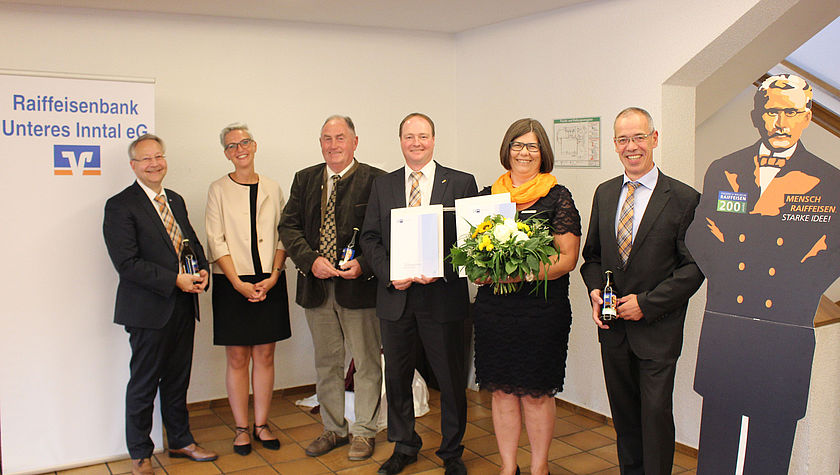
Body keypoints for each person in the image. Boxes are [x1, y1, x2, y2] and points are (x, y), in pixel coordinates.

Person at [686, 74, 840, 474]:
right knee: (716, 446)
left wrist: (791, 288)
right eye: (772, 111)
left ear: (807, 116)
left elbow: (832, 251)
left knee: (770, 450)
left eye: (792, 112)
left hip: (784, 329)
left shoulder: (830, 181)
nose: (781, 122)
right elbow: (702, 234)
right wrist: (732, 279)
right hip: (727, 324)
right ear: (758, 116)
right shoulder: (724, 169)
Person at [580, 108, 704, 475]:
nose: (631, 146)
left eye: (638, 137)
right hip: (613, 331)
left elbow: (694, 268)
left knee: (655, 418)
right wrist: (594, 291)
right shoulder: (604, 194)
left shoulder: (684, 198)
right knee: (626, 421)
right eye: (623, 139)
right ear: (614, 144)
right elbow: (592, 258)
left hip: (658, 331)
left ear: (654, 139)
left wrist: (646, 305)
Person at [360, 113, 477, 475]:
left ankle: (452, 452)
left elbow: (472, 240)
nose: (416, 143)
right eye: (409, 136)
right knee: (397, 378)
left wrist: (440, 268)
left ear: (433, 140)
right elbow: (369, 238)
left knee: (451, 380)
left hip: (443, 297)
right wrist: (391, 274)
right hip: (396, 298)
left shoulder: (460, 182)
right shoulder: (383, 185)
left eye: (423, 136)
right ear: (400, 141)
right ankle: (404, 445)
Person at [103, 134, 217, 475]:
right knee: (144, 384)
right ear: (133, 165)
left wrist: (202, 270)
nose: (154, 164)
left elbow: (190, 243)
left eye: (159, 156)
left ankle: (180, 440)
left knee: (177, 380)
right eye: (146, 159)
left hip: (183, 306)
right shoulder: (120, 205)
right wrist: (174, 280)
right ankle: (140, 454)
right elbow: (127, 263)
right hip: (148, 311)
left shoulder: (175, 200)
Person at [472, 118, 581, 475]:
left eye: (532, 146)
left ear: (542, 152)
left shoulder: (558, 197)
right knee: (502, 392)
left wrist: (520, 273)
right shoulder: (487, 197)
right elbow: (472, 259)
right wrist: (480, 270)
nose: (524, 152)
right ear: (507, 150)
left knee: (536, 393)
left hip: (541, 312)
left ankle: (539, 468)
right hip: (495, 311)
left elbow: (567, 259)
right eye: (518, 145)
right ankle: (508, 468)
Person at [278, 115, 385, 461]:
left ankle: (364, 432)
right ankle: (334, 429)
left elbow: (386, 233)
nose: (333, 144)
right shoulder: (305, 179)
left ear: (355, 142)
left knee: (367, 363)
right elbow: (288, 227)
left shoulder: (377, 181)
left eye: (341, 137)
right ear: (320, 143)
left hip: (360, 288)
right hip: (317, 288)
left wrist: (364, 264)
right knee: (327, 363)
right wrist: (310, 260)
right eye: (327, 138)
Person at [205, 123, 291, 455]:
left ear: (254, 146)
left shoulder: (273, 186)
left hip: (270, 278)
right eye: (231, 146)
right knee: (238, 357)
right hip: (232, 281)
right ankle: (242, 428)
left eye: (244, 142)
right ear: (226, 153)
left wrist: (275, 274)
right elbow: (216, 240)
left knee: (265, 354)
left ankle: (262, 424)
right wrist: (238, 284)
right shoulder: (217, 189)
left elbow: (284, 234)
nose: (239, 149)